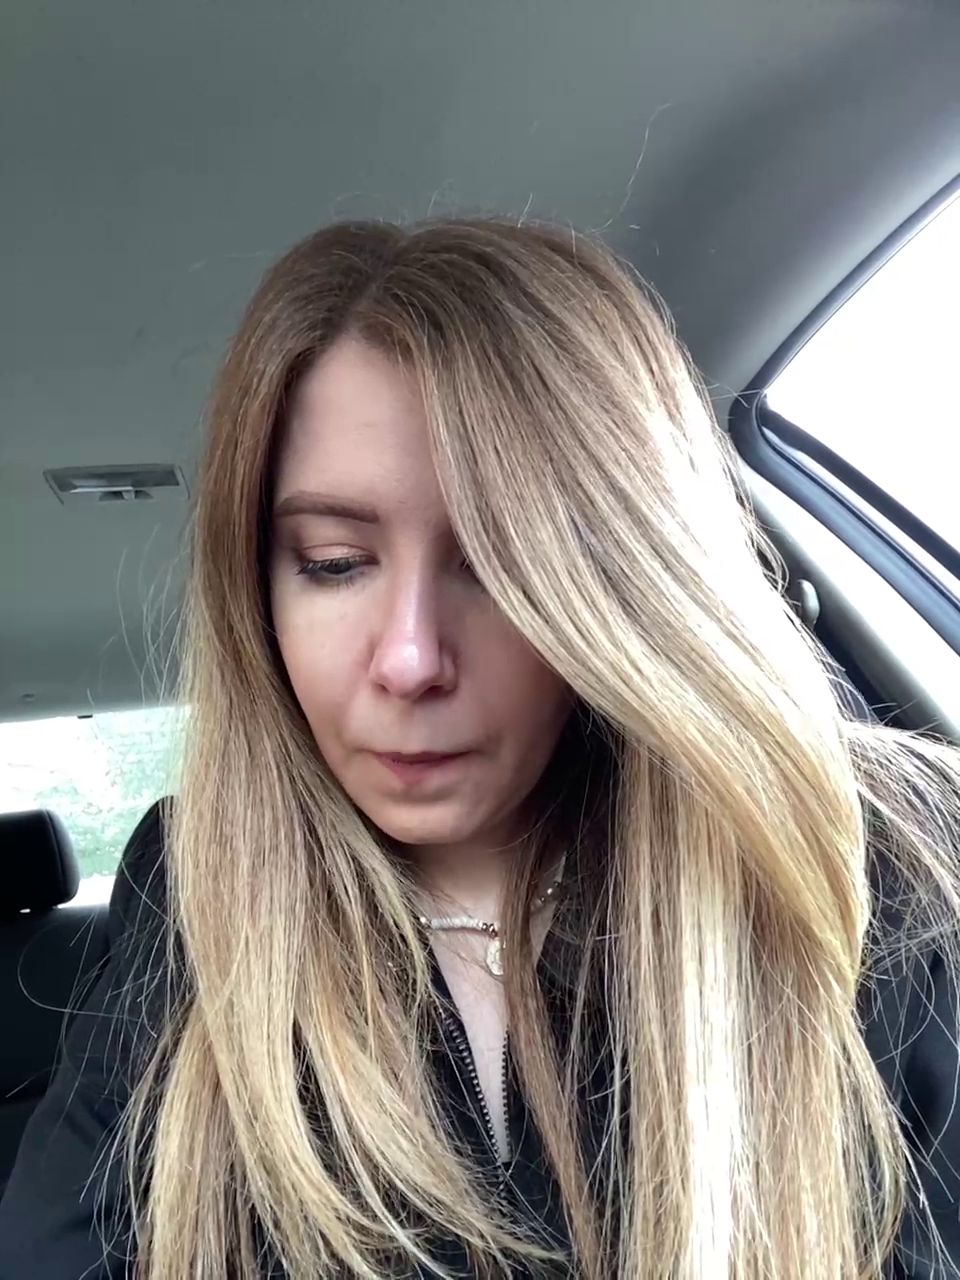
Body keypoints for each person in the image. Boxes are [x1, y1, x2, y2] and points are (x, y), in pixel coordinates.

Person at [2, 218, 960, 1280]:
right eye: (334, 562)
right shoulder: (191, 887)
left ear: (623, 580)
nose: (410, 659)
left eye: (501, 562)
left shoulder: (877, 874)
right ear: (256, 590)